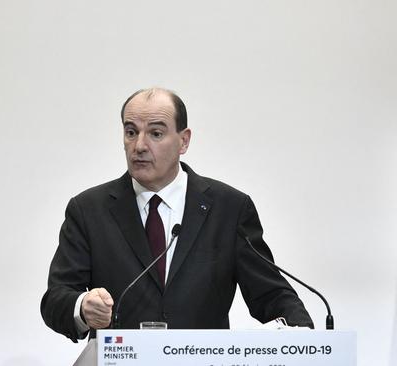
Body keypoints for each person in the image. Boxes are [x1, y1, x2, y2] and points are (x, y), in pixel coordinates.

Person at [41, 88, 312, 342]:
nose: (139, 146)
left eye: (156, 134)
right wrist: (82, 308)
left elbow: (271, 293)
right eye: (131, 132)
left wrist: (305, 337)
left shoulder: (229, 208)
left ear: (183, 141)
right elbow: (55, 299)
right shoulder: (89, 210)